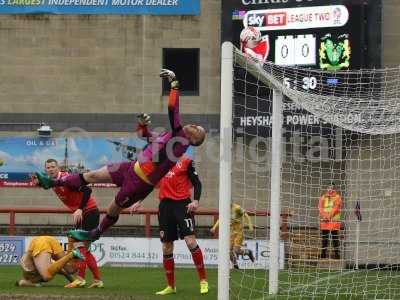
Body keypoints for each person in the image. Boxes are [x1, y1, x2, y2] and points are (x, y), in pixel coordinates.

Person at [35, 69, 206, 242]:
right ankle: (51, 182)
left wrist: (174, 84)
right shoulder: (172, 137)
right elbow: (144, 136)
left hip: (139, 183)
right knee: (92, 175)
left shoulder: (181, 140)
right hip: (131, 168)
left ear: (194, 139)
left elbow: (172, 109)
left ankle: (95, 234)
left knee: (113, 209)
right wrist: (142, 125)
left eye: (197, 129)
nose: (194, 124)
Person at [134, 114, 208, 295]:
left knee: (191, 242)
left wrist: (196, 201)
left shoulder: (187, 161)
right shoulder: (163, 161)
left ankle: (203, 281)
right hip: (165, 206)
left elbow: (197, 183)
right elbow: (151, 182)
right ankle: (170, 286)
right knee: (166, 246)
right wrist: (139, 200)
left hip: (182, 205)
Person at [32, 159, 103, 288]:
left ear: (58, 168)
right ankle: (97, 280)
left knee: (80, 247)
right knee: (84, 249)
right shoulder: (54, 181)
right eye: (48, 168)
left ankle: (80, 279)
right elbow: (48, 184)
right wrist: (38, 183)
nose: (51, 169)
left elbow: (87, 191)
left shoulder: (67, 179)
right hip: (83, 214)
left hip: (88, 212)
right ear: (46, 170)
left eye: (53, 167)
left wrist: (80, 209)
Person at [16, 235, 83, 287]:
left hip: (41, 243)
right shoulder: (36, 270)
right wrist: (74, 281)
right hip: (47, 240)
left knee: (46, 276)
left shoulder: (31, 274)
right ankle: (71, 243)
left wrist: (35, 285)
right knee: (69, 269)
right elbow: (62, 270)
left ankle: (72, 253)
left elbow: (22, 283)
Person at [210, 203, 255, 269]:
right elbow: (221, 218)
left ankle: (248, 252)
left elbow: (246, 215)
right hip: (231, 233)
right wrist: (214, 228)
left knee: (236, 251)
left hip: (239, 233)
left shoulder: (237, 208)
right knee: (228, 251)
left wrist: (250, 225)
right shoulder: (224, 209)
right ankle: (235, 265)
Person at [318, 183, 343, 259]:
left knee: (335, 239)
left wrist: (328, 216)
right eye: (328, 188)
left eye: (331, 188)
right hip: (325, 222)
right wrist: (324, 216)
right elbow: (320, 208)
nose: (330, 189)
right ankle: (323, 255)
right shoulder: (323, 197)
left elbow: (336, 208)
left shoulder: (337, 197)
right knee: (324, 239)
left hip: (333, 221)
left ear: (334, 189)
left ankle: (337, 256)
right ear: (327, 188)